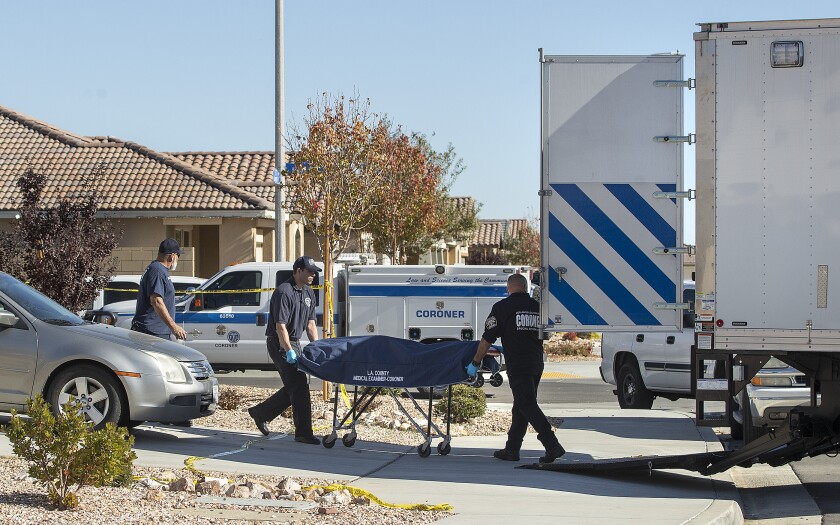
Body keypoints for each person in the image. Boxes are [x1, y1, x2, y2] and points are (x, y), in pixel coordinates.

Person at [467, 273, 565, 463]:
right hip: (536, 362)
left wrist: (476, 361)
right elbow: (546, 335)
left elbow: (488, 337)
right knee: (521, 405)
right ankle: (512, 449)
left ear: (509, 287)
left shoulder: (503, 307)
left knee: (526, 404)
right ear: (525, 287)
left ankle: (552, 445)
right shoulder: (538, 308)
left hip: (518, 364)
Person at [247, 255, 321, 444]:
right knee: (299, 387)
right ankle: (303, 432)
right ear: (298, 271)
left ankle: (261, 413)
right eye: (309, 271)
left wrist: (318, 346)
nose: (313, 275)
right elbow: (280, 326)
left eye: (314, 272)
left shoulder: (308, 293)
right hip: (279, 342)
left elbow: (311, 324)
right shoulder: (284, 292)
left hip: (294, 341)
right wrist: (288, 350)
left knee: (295, 386)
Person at [132, 238, 187, 341]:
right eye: (178, 256)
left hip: (156, 332)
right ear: (172, 256)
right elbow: (156, 301)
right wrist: (174, 327)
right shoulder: (157, 271)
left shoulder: (158, 270)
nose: (178, 259)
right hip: (151, 333)